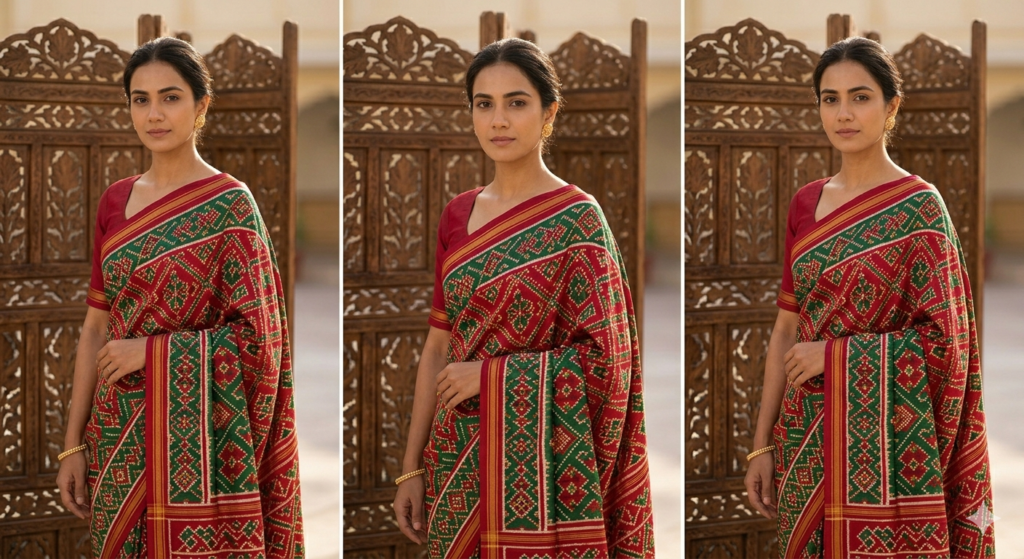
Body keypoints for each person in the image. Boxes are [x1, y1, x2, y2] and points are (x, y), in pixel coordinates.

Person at [391, 38, 655, 558]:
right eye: (483, 105)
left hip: (550, 468)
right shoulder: (457, 215)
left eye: (516, 102)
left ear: (548, 112)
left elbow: (612, 362)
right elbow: (437, 349)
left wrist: (490, 377)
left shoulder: (578, 219)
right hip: (458, 458)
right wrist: (411, 466)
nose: (498, 120)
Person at [743, 36, 994, 558]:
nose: (844, 113)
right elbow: (785, 330)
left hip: (894, 448)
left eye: (860, 96)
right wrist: (761, 444)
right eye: (830, 99)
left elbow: (949, 344)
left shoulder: (919, 208)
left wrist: (834, 357)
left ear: (891, 106)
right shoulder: (805, 204)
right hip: (807, 436)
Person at [54, 37, 304, 557]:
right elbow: (95, 328)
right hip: (119, 432)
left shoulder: (231, 205)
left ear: (201, 105)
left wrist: (152, 352)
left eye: (170, 97)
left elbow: (265, 341)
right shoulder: (115, 202)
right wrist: (73, 445)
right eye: (140, 99)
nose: (154, 113)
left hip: (208, 446)